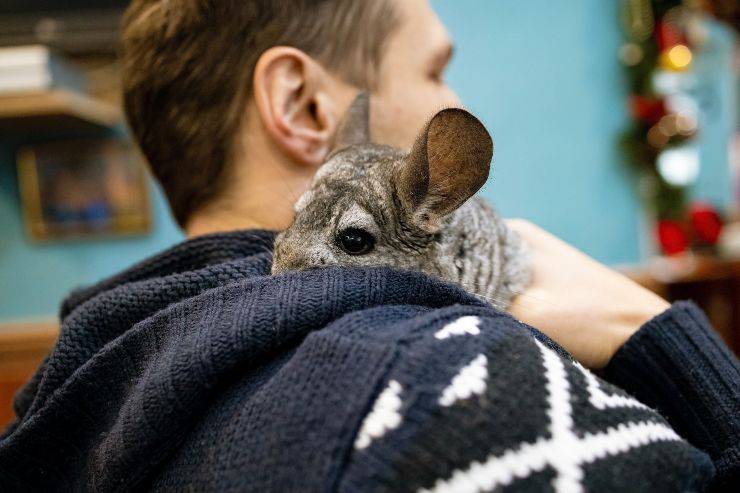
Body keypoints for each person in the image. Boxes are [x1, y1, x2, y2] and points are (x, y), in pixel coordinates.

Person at [0, 1, 737, 491]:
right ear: (302, 104)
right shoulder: (464, 388)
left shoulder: (83, 387)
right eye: (435, 70)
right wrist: (655, 334)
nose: (454, 96)